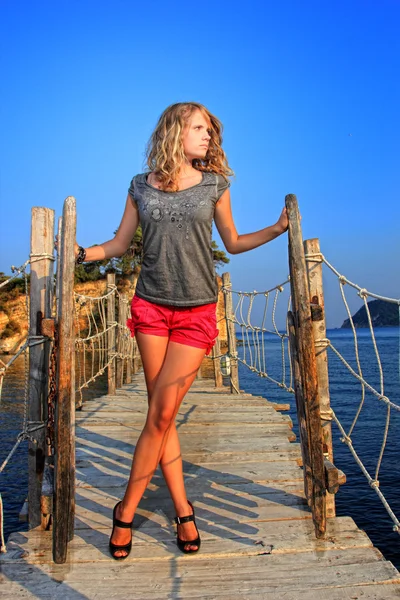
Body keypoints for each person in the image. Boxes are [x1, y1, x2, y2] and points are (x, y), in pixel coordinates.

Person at [73, 102, 288, 559]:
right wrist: (81, 254)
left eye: (210, 130)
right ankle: (183, 510)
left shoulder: (215, 185)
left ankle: (125, 511)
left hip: (195, 312)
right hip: (150, 307)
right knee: (162, 416)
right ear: (175, 132)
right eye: (198, 128)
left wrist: (275, 229)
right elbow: (118, 243)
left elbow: (231, 241)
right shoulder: (139, 186)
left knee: (161, 413)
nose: (207, 137)